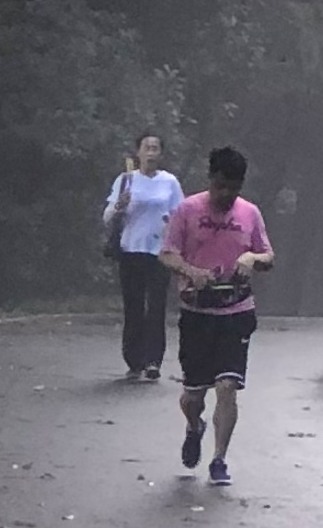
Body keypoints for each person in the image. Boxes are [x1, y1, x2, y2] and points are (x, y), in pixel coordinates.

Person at [162, 146, 274, 486]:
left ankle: (219, 459)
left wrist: (252, 259)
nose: (227, 195)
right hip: (197, 311)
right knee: (194, 394)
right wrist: (190, 270)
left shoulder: (250, 214)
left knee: (227, 386)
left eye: (234, 188)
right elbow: (166, 254)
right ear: (211, 180)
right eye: (221, 186)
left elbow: (269, 256)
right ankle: (195, 426)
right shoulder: (187, 210)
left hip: (236, 310)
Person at [102, 133, 186, 380]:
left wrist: (172, 226)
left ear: (161, 153)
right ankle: (133, 359)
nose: (151, 152)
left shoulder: (169, 182)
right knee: (134, 306)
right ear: (137, 153)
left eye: (155, 148)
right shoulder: (126, 180)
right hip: (131, 250)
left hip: (159, 251)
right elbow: (107, 217)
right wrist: (120, 204)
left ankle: (153, 360)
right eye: (146, 148)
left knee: (156, 306)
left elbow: (180, 214)